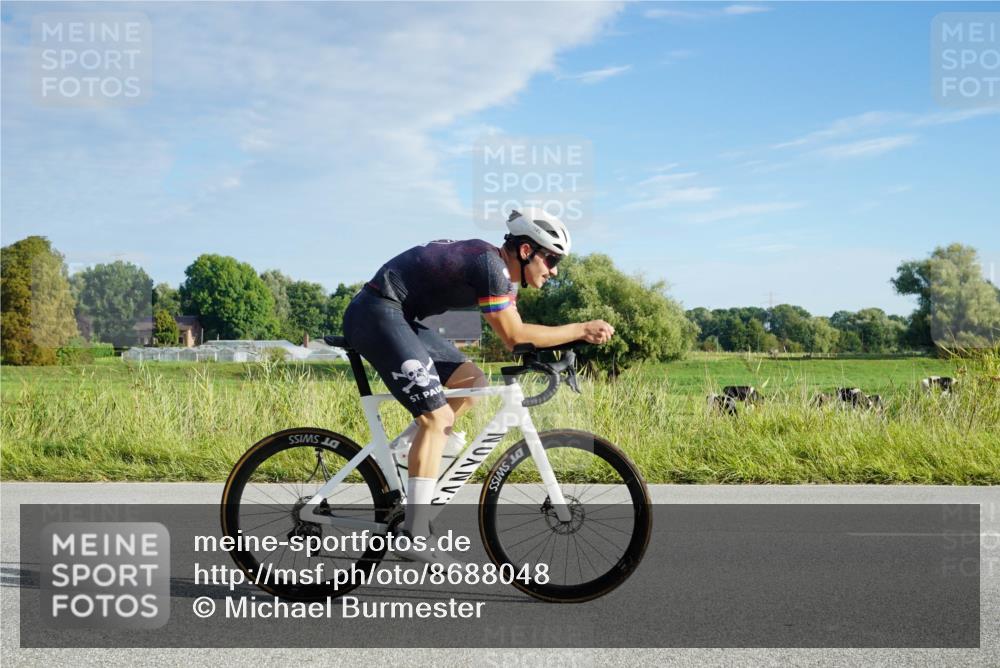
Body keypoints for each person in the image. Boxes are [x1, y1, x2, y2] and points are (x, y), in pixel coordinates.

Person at [341, 208, 614, 564]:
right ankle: (412, 534)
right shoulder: (491, 266)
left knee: (470, 381)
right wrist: (579, 330)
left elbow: (518, 336)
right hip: (376, 313)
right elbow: (515, 336)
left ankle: (407, 452)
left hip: (400, 317)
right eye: (551, 258)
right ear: (527, 251)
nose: (554, 269)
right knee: (436, 419)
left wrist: (555, 351)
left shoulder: (499, 273)